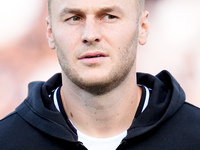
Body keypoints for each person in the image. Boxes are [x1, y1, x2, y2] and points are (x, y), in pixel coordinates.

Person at [1, 0, 200, 149]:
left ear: (142, 28)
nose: (90, 34)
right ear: (50, 33)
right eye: (74, 18)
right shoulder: (8, 141)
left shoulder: (194, 135)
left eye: (109, 16)